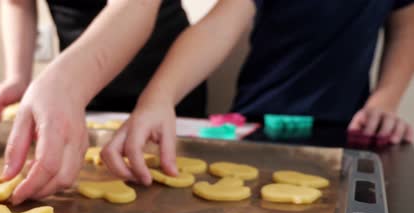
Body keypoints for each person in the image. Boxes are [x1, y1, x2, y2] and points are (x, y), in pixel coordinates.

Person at [102, 0, 414, 185]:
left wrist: (385, 100)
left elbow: (406, 27)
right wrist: (159, 97)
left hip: (348, 128)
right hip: (256, 122)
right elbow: (217, 28)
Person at [0, 0, 207, 204]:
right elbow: (17, 3)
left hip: (167, 75)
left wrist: (66, 82)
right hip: (84, 86)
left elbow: (137, 4)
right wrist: (18, 77)